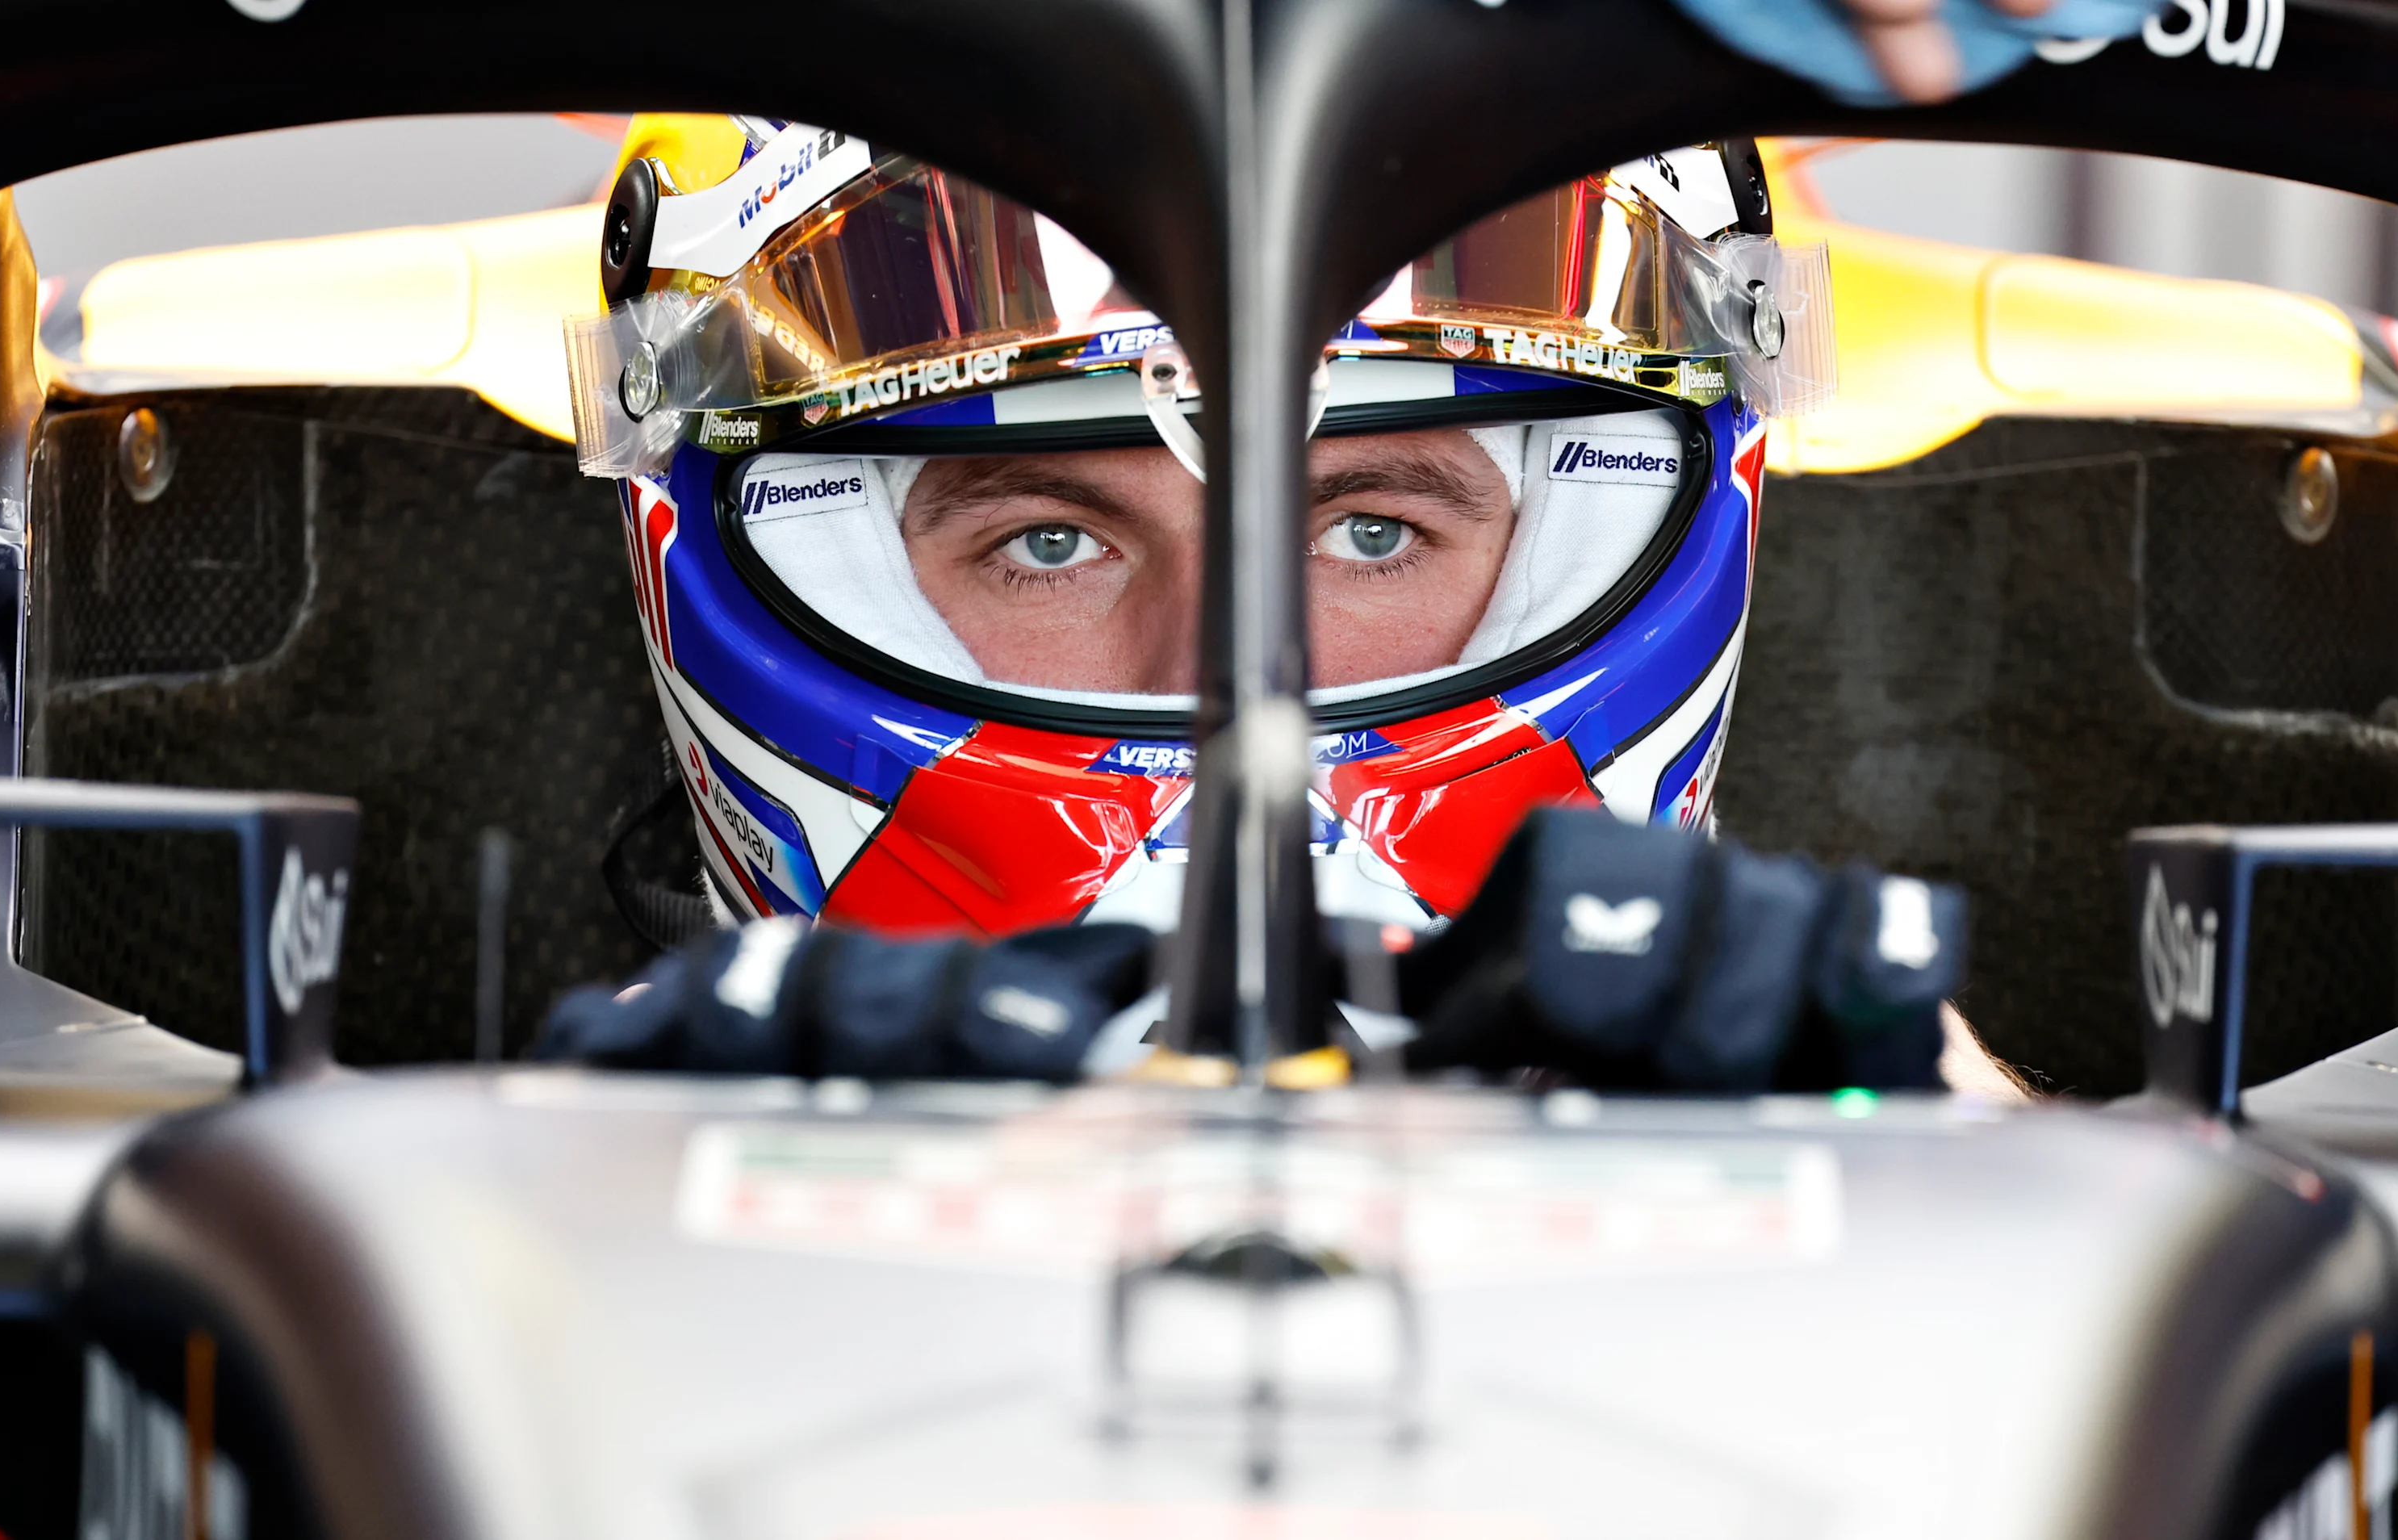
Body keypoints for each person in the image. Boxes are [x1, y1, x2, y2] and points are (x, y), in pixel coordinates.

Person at [566, 114, 2025, 1095]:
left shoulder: (1915, 1150)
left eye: (1372, 530)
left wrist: (1959, 1173)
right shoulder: (525, 1238)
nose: (1228, 690)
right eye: (1051, 545)